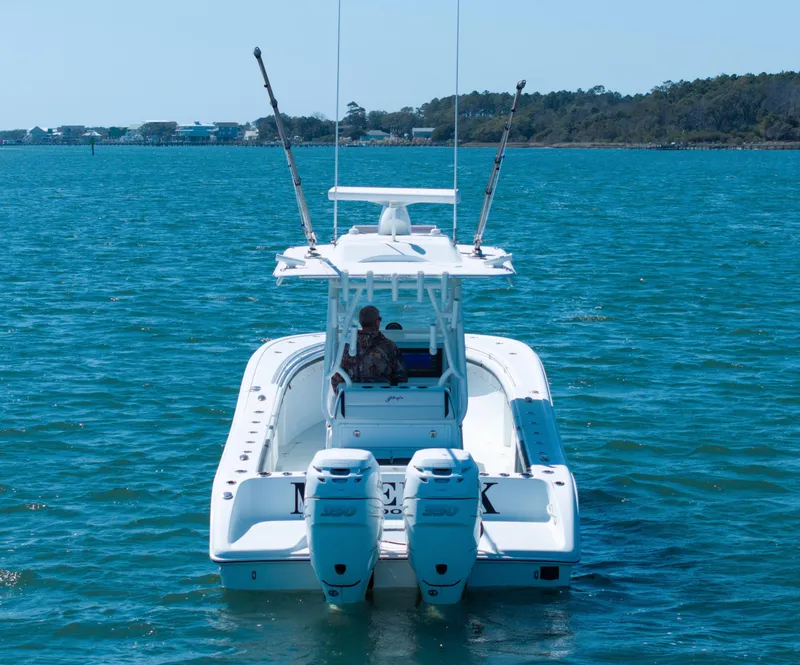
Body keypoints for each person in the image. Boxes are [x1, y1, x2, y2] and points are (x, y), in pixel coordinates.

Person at [331, 306, 408, 391]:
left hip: (352, 400)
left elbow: (335, 379)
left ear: (360, 322)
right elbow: (401, 378)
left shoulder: (346, 346)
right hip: (384, 399)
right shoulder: (389, 346)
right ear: (377, 322)